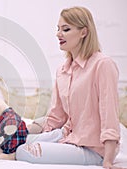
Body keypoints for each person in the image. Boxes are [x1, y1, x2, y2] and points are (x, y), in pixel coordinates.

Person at [16, 6, 121, 169]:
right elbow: (56, 117)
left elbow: (109, 114)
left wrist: (107, 160)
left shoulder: (102, 65)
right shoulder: (62, 70)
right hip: (66, 136)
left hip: (93, 148)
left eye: (65, 29)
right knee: (13, 141)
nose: (58, 34)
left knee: (24, 151)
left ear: (83, 32)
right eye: (58, 29)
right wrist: (25, 130)